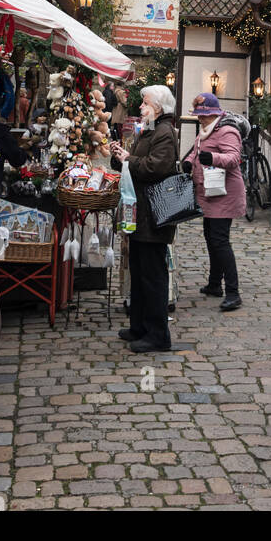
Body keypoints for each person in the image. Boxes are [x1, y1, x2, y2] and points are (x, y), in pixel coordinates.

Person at [109, 85, 178, 353]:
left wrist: (130, 159)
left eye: (145, 103)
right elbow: (137, 162)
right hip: (141, 213)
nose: (140, 107)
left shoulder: (164, 132)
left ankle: (158, 335)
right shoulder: (151, 128)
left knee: (152, 276)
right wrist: (120, 158)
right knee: (138, 273)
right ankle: (139, 326)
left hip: (154, 214)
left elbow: (155, 167)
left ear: (158, 107)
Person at [181, 94, 246, 311]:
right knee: (210, 237)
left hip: (224, 194)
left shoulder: (227, 130)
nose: (200, 119)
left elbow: (234, 158)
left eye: (203, 115)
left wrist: (214, 158)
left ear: (213, 113)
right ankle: (214, 284)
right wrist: (189, 163)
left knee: (220, 241)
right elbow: (197, 151)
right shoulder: (207, 130)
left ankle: (233, 293)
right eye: (198, 115)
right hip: (209, 192)